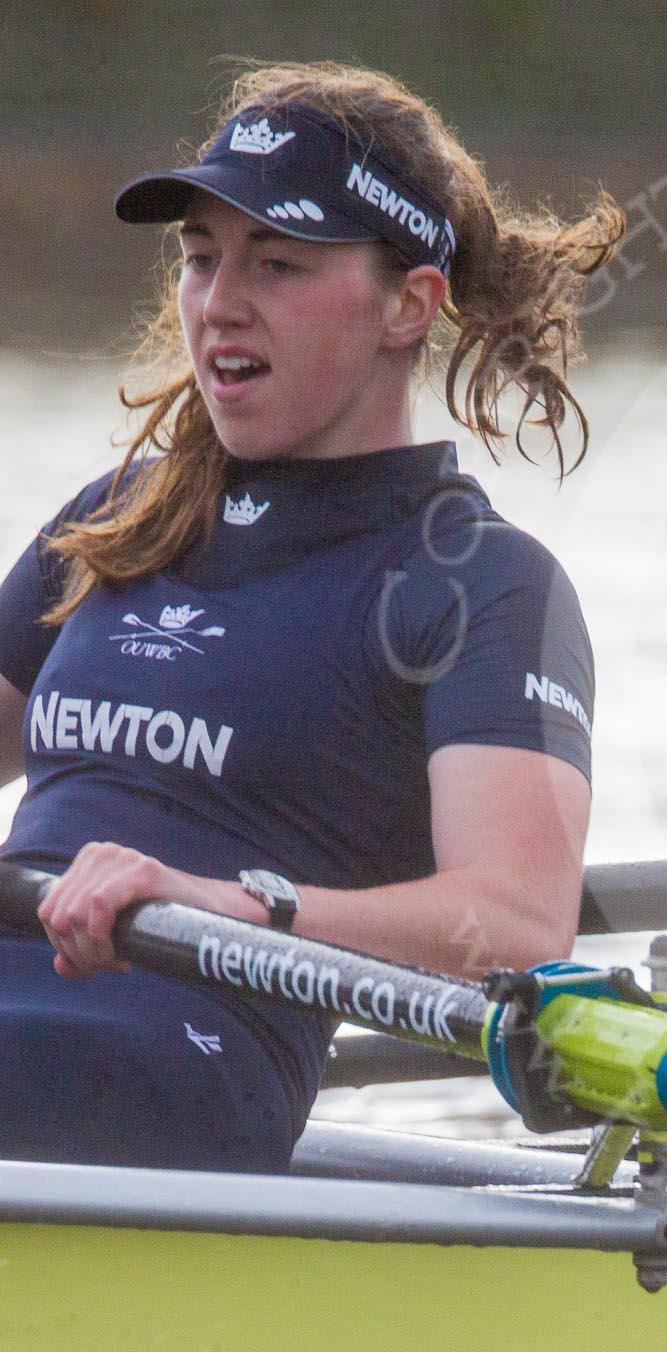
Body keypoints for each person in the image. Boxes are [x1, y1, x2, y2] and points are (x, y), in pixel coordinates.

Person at [0, 63, 624, 1172]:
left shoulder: (482, 587)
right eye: (201, 257)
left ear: (408, 304)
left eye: (276, 264)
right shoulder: (119, 518)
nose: (219, 300)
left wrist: (217, 902)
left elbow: (519, 924)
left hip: (177, 1056)